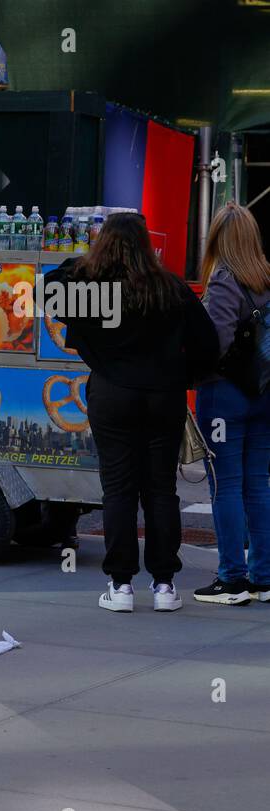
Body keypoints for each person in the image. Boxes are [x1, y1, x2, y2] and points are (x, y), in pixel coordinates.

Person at [47, 213, 218, 613]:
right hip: (164, 395)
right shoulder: (169, 288)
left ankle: (121, 584)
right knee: (161, 489)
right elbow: (208, 343)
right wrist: (182, 375)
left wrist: (79, 264)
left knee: (119, 490)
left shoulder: (93, 290)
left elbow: (49, 291)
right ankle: (164, 584)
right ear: (146, 246)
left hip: (112, 393)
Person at [193, 203, 270, 605]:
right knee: (258, 484)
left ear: (219, 239)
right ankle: (264, 577)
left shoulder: (225, 279)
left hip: (224, 395)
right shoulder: (267, 276)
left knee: (226, 485)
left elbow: (215, 342)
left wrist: (188, 373)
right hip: (264, 393)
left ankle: (231, 579)